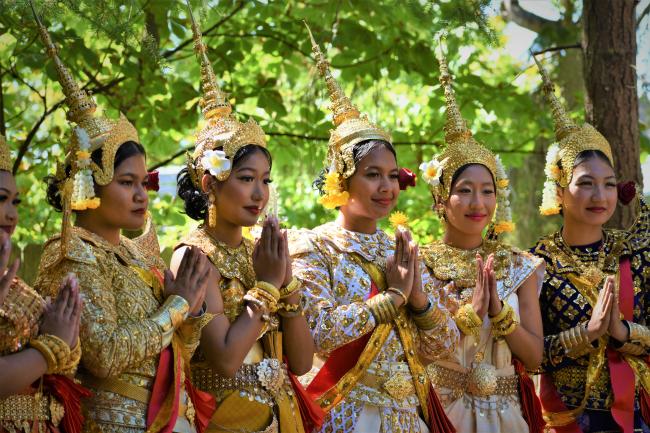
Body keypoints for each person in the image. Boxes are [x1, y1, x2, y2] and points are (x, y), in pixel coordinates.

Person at [30, 13, 214, 433]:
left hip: (174, 415)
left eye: (143, 182)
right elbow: (104, 355)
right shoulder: (70, 252)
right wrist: (178, 307)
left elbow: (178, 348)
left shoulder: (135, 252)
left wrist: (193, 308)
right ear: (87, 185)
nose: (140, 194)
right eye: (126, 182)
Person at [288, 24, 459, 433]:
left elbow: (444, 346)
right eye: (372, 175)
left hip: (406, 416)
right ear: (340, 181)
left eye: (392, 175)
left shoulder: (401, 248)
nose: (387, 187)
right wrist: (393, 296)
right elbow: (319, 333)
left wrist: (418, 300)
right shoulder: (314, 247)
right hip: (343, 411)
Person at [172, 4, 317, 433]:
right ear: (210, 182)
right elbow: (227, 358)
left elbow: (303, 360)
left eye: (266, 180)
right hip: (223, 418)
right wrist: (269, 286)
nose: (260, 193)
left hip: (281, 415)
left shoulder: (261, 252)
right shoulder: (194, 257)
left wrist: (287, 287)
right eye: (247, 178)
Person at [418, 48, 545, 433]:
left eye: (487, 191)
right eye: (465, 191)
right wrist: (469, 316)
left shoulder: (520, 265)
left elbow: (536, 357)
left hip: (508, 416)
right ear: (440, 199)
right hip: (440, 414)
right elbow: (418, 354)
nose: (479, 203)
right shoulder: (418, 265)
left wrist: (499, 314)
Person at [531, 55, 650, 433]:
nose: (600, 195)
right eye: (586, 183)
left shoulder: (636, 252)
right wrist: (588, 333)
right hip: (567, 416)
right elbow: (533, 356)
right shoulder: (537, 262)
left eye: (609, 183)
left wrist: (622, 332)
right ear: (560, 192)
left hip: (637, 412)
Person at [0, 133, 88, 433]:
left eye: (15, 201)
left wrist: (65, 332)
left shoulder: (13, 282)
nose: (12, 215)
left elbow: (65, 368)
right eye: (2, 199)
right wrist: (51, 348)